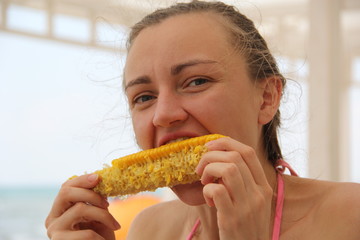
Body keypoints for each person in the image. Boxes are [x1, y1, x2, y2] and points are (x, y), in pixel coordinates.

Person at [45, 1, 360, 239]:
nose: (164, 114)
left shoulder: (350, 215)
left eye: (196, 81)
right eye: (143, 97)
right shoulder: (149, 229)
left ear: (266, 98)